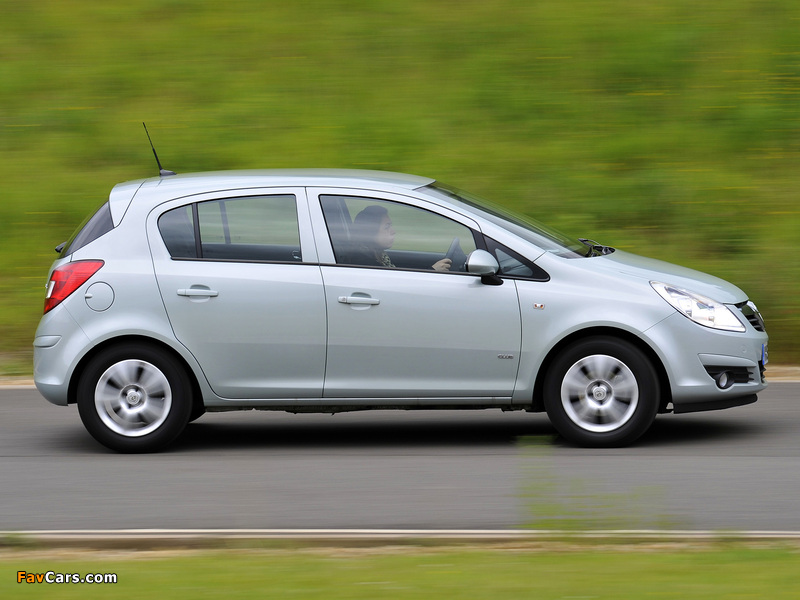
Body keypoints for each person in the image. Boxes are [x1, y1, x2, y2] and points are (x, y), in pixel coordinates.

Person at [345, 205, 451, 271]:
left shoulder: (378, 255)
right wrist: (432, 271)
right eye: (387, 227)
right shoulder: (365, 263)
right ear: (371, 232)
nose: (393, 231)